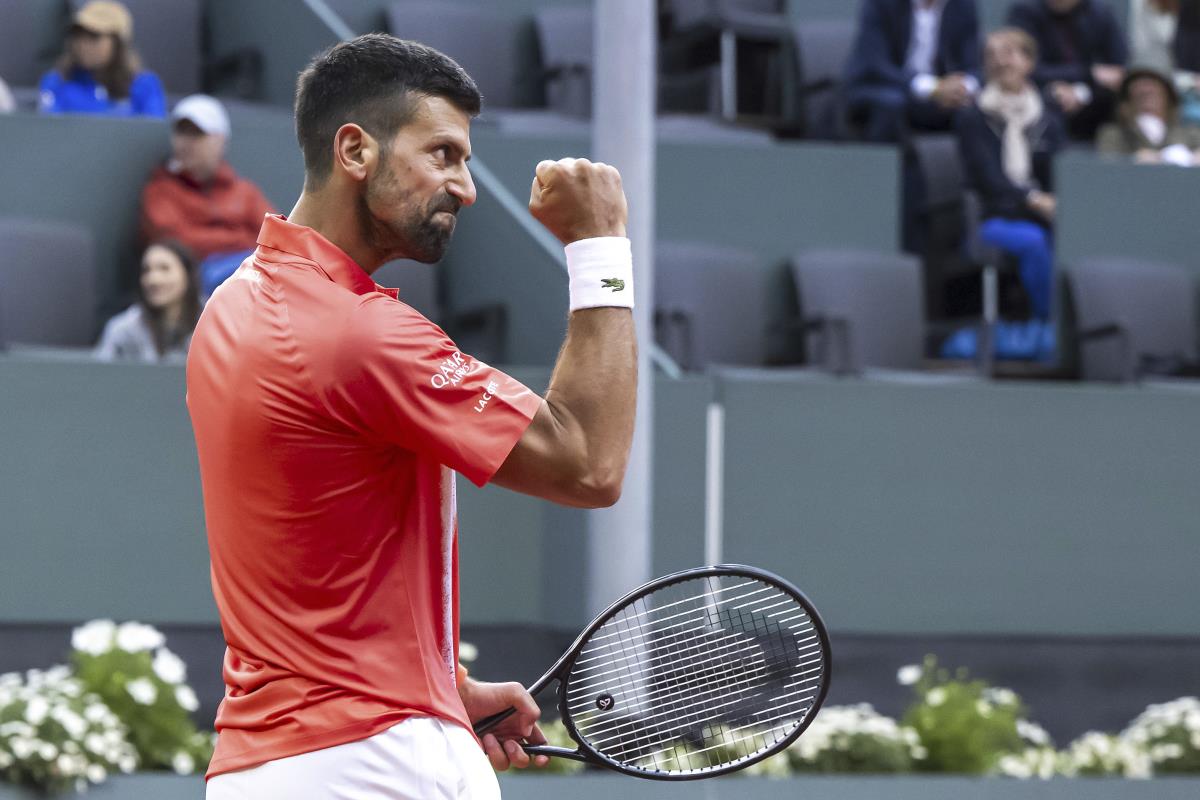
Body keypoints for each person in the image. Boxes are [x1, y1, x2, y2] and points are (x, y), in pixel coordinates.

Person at [188, 34, 637, 799]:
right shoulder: (359, 334)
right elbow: (589, 463)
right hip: (374, 762)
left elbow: (313, 550)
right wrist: (600, 247)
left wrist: (442, 685)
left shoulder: (232, 305)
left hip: (268, 766)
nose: (465, 187)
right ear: (355, 151)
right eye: (443, 154)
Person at [953, 28, 1066, 358]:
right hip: (994, 216)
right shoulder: (973, 118)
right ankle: (1050, 329)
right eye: (991, 55)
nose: (1000, 61)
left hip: (1045, 215)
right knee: (1033, 242)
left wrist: (1056, 201)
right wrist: (1033, 199)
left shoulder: (1048, 119)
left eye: (1010, 53)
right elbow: (989, 178)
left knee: (1075, 239)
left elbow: (1061, 172)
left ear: (1029, 62)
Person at [140, 95, 275, 296]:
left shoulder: (244, 190)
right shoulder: (161, 189)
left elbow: (275, 239)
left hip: (250, 277)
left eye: (197, 134)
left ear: (220, 140)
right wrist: (241, 239)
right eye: (181, 133)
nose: (186, 142)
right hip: (196, 286)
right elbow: (178, 242)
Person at [844, 0, 983, 142]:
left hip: (942, 97)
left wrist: (962, 88)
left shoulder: (963, 5)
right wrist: (934, 88)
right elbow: (875, 65)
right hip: (887, 87)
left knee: (974, 111)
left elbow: (973, 66)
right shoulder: (882, 3)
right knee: (892, 104)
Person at [1007, 0, 1127, 140]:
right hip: (1043, 94)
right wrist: (1089, 73)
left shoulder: (1100, 12)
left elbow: (1117, 71)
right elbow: (1026, 70)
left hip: (1094, 97)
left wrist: (1080, 92)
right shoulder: (1025, 12)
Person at [38, 0, 166, 118]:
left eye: (94, 36)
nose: (83, 44)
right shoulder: (57, 82)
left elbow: (152, 129)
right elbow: (49, 128)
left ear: (117, 43)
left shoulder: (144, 85)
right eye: (77, 34)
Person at [95, 240, 201, 363]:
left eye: (164, 269)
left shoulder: (211, 322)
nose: (153, 279)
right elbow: (101, 371)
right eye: (146, 270)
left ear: (187, 274)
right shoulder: (123, 330)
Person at [1096, 66, 1200, 163]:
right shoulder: (1113, 135)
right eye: (1140, 94)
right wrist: (1134, 159)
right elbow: (1108, 164)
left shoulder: (1190, 134)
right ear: (1125, 104)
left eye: (1153, 89)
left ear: (1168, 98)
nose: (1146, 89)